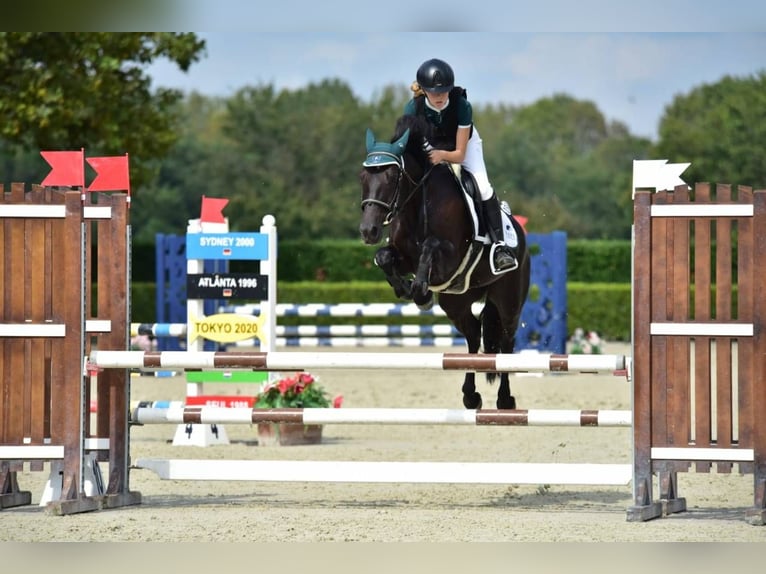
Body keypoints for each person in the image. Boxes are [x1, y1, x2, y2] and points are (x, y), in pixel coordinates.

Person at [403, 58, 518, 272]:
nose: (439, 97)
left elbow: (459, 154)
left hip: (462, 147)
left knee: (483, 187)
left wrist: (441, 155)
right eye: (434, 92)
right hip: (432, 145)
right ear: (424, 90)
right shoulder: (412, 108)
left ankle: (500, 247)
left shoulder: (462, 106)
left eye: (444, 91)